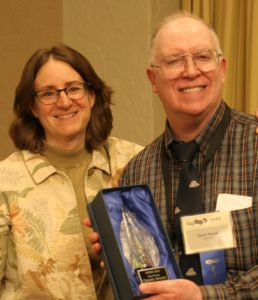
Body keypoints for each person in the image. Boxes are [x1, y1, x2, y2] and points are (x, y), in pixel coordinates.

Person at [87, 12, 257, 300]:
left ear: (222, 68)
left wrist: (206, 296)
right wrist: (119, 255)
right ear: (153, 78)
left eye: (202, 56)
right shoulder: (137, 173)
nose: (190, 71)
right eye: (174, 60)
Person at [0, 44, 143, 300]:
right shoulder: (5, 180)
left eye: (74, 88)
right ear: (33, 107)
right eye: (48, 93)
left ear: (92, 96)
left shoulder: (134, 161)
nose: (64, 102)